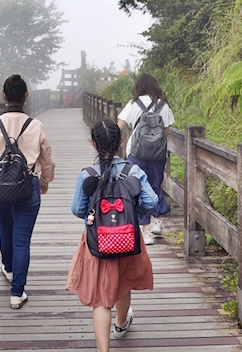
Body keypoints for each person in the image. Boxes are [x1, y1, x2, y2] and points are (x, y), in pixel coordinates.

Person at [66, 118, 158, 352]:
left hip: (97, 242)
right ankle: (121, 323)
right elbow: (151, 201)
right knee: (123, 283)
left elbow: (78, 209)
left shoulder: (87, 174)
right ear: (120, 141)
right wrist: (133, 215)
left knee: (101, 299)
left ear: (94, 144)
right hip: (128, 238)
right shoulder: (133, 170)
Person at [0, 74, 55, 309]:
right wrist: (46, 181)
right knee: (22, 240)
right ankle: (16, 293)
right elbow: (47, 159)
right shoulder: (36, 125)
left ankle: (8, 269)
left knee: (5, 228)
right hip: (28, 185)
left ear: (4, 96)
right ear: (26, 96)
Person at [116, 73, 175, 245]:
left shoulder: (133, 104)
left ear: (139, 86)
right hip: (157, 155)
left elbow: (118, 126)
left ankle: (145, 230)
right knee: (156, 184)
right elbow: (165, 133)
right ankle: (157, 221)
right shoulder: (163, 105)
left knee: (139, 188)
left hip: (136, 153)